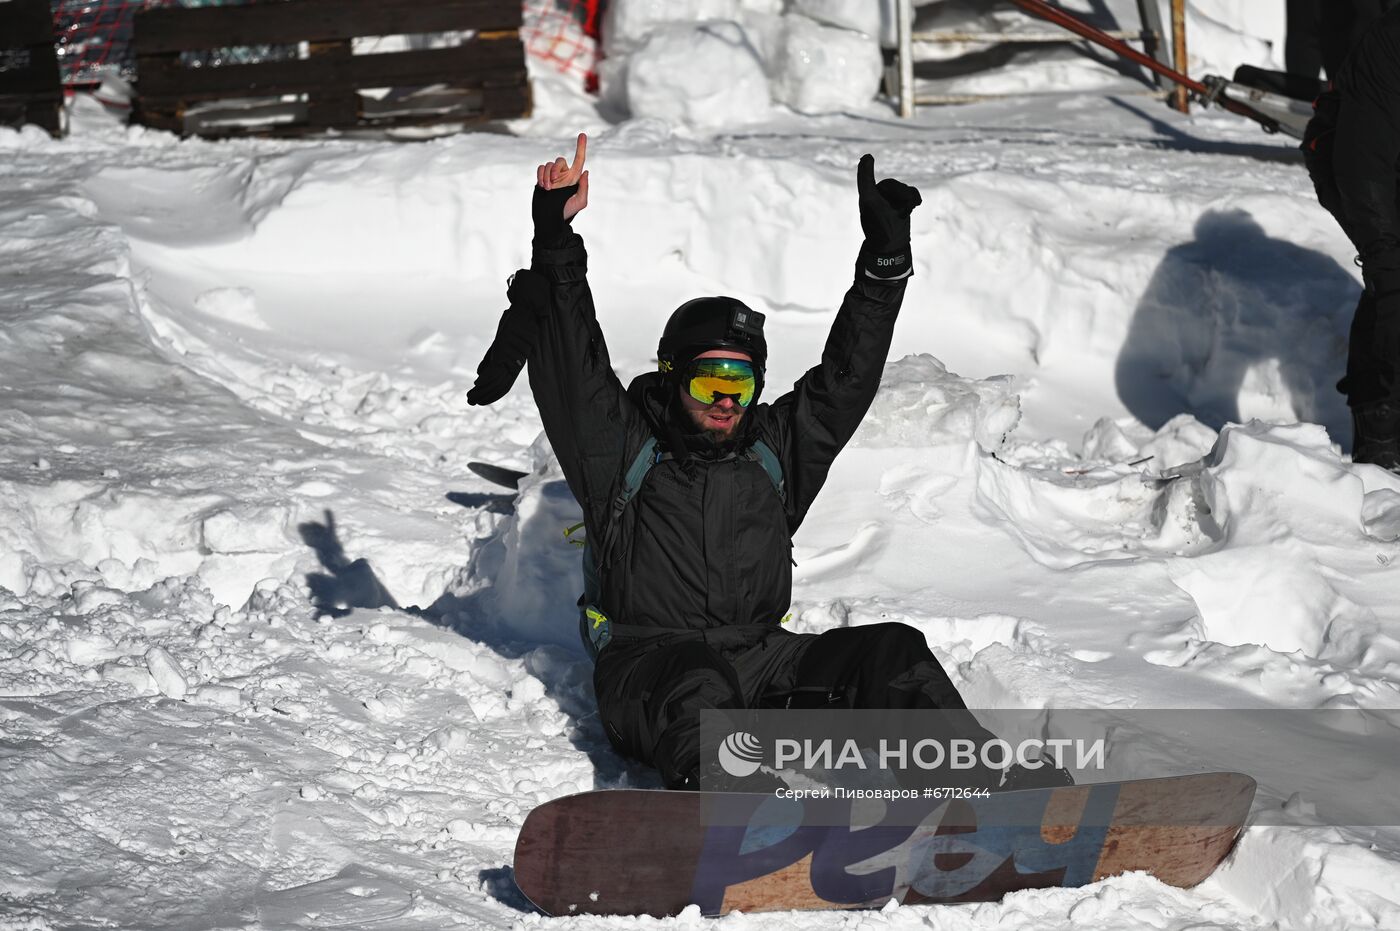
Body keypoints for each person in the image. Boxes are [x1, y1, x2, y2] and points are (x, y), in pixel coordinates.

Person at [471, 134, 1062, 792]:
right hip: (652, 673)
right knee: (698, 680)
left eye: (742, 384)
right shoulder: (624, 453)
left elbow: (844, 380)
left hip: (760, 663)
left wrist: (883, 268)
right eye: (709, 382)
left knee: (889, 651)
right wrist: (554, 239)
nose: (727, 400)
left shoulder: (771, 452)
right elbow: (573, 368)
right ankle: (733, 810)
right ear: (671, 380)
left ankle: (983, 789)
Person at [1304, 6, 1400, 468]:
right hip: (1354, 159)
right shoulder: (1390, 45)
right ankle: (1380, 427)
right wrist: (1385, 262)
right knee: (1395, 277)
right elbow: (1366, 167)